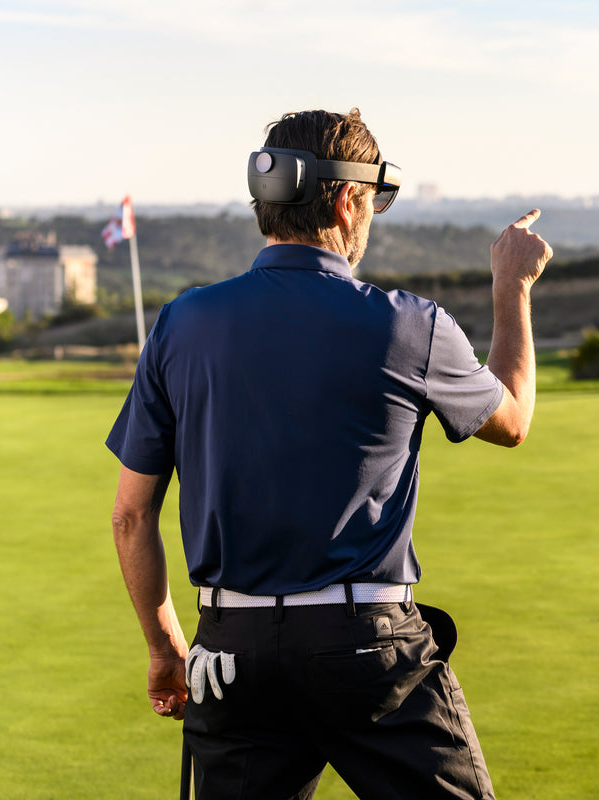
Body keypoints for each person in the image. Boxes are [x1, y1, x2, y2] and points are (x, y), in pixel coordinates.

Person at [107, 108, 552, 799]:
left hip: (229, 655)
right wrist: (511, 288)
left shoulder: (180, 323)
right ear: (347, 199)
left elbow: (131, 518)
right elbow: (512, 417)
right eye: (372, 201)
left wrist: (169, 652)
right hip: (369, 652)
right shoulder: (410, 325)